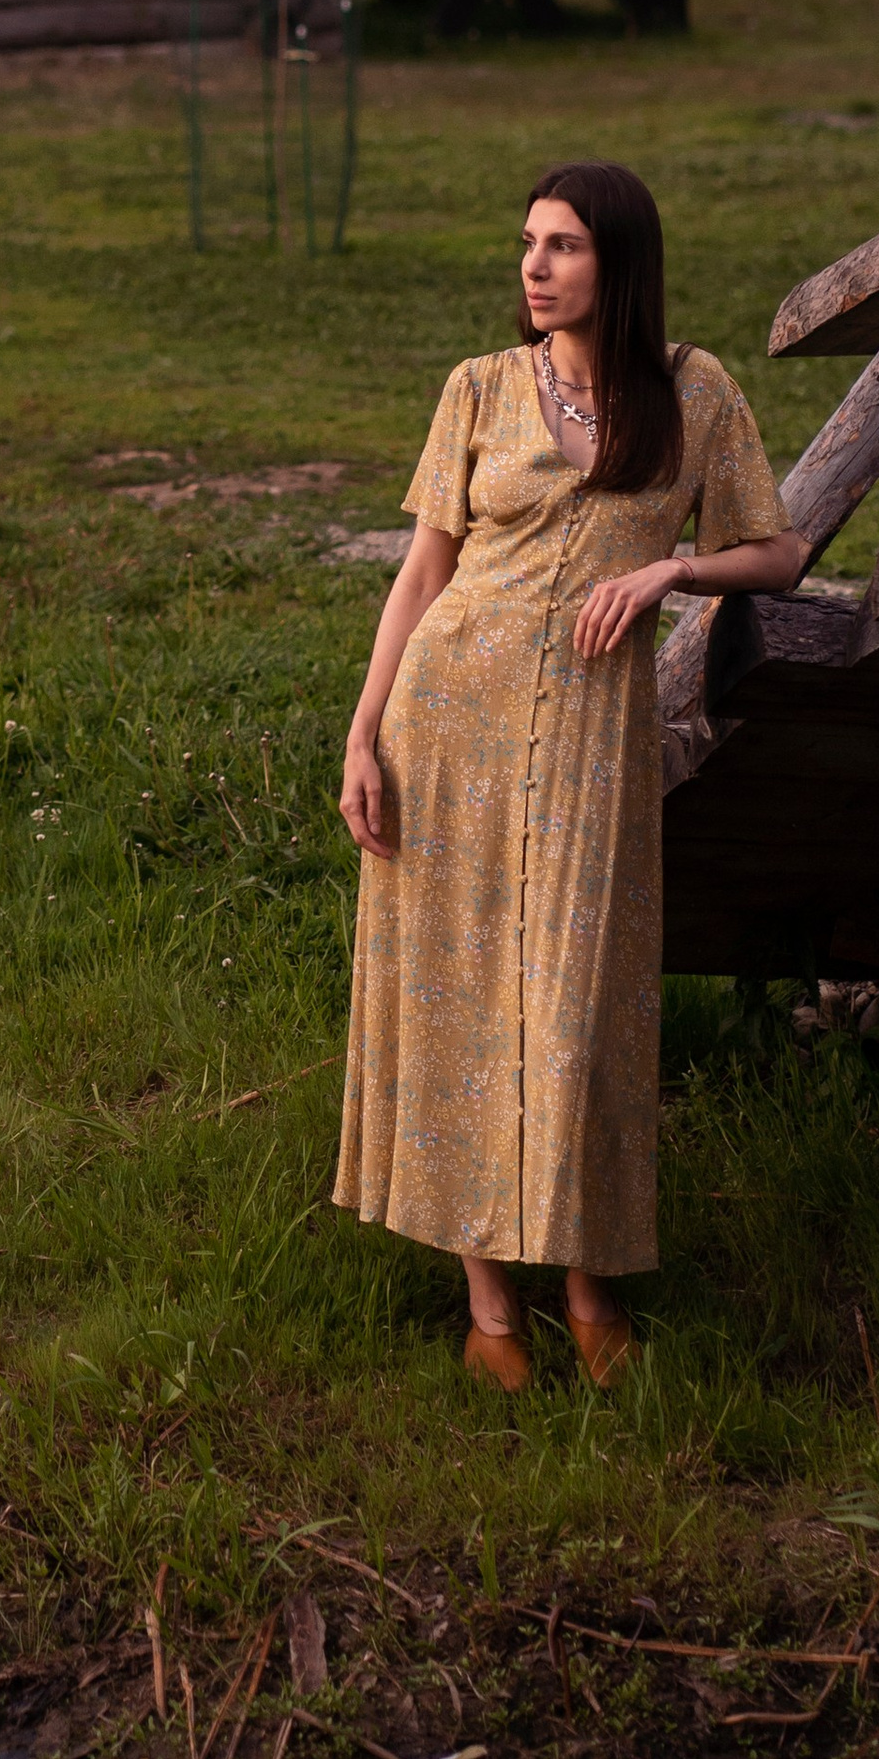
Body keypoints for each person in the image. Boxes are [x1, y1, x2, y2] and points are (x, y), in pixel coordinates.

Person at [334, 160, 807, 1391]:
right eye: (527, 245)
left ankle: (588, 1284)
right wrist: (363, 731)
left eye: (563, 247)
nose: (533, 269)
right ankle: (491, 1307)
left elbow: (778, 549)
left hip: (593, 747)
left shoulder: (694, 395)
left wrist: (673, 576)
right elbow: (424, 571)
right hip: (448, 725)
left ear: (620, 263)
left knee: (581, 1004)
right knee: (456, 1000)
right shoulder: (478, 389)